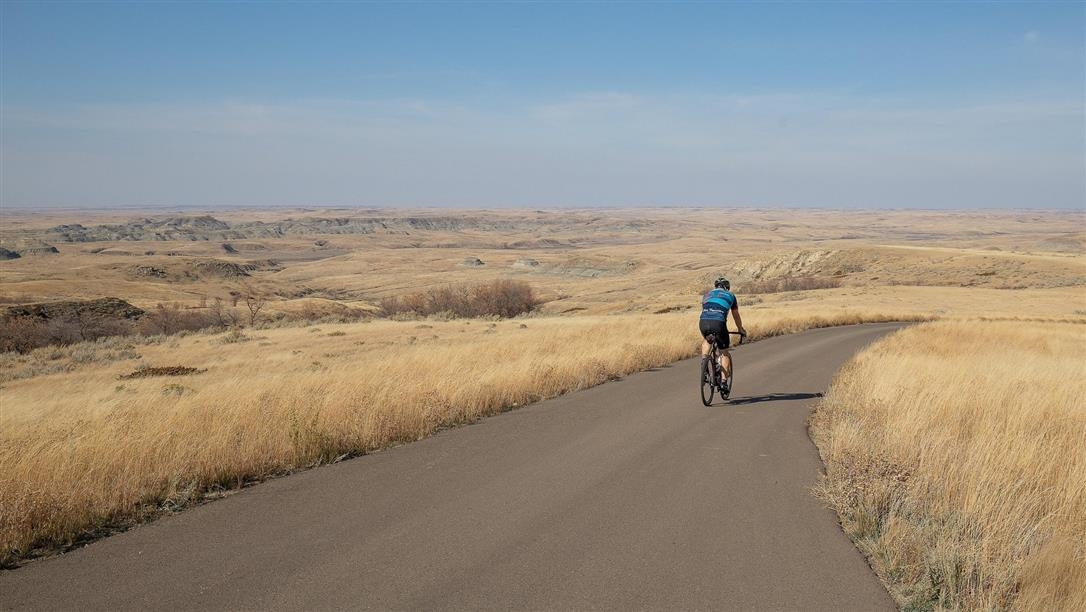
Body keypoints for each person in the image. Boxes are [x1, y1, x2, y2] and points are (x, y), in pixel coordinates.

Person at [699, 276, 746, 394]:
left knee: (707, 340)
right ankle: (724, 382)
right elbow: (735, 315)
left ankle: (704, 362)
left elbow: (706, 309)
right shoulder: (731, 295)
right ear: (727, 287)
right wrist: (740, 329)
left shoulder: (707, 295)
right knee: (724, 352)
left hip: (703, 321)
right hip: (719, 323)